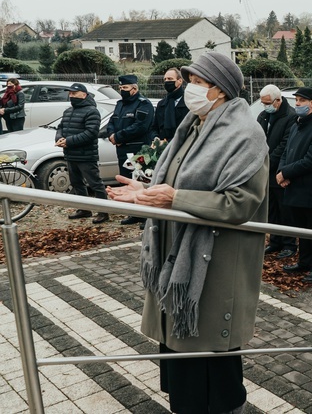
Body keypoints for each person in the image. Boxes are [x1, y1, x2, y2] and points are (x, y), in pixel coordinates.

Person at [107, 51, 269, 414]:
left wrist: (174, 198)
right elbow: (177, 181)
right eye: (190, 82)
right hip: (179, 255)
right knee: (185, 371)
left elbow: (240, 203)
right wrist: (144, 191)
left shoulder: (245, 135)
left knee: (212, 364)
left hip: (214, 265)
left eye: (198, 83)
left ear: (221, 90)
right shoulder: (194, 125)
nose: (189, 90)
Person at [277, 87, 312, 283]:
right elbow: (286, 152)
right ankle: (305, 262)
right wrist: (281, 171)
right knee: (302, 229)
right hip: (294, 187)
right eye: (297, 100)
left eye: (302, 100)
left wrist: (286, 172)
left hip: (310, 189)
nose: (298, 104)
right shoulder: (296, 125)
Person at [55, 83, 109, 224]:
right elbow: (60, 127)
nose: (71, 96)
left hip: (86, 155)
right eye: (70, 93)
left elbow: (91, 133)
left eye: (74, 93)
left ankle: (104, 212)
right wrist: (59, 138)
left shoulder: (92, 111)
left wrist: (69, 141)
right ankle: (84, 209)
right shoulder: (68, 111)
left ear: (84, 95)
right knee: (76, 183)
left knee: (95, 184)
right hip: (70, 153)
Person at [107, 74, 155, 225]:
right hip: (122, 151)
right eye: (120, 88)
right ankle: (134, 213)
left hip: (138, 150)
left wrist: (119, 137)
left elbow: (140, 127)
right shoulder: (120, 104)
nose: (122, 90)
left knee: (141, 180)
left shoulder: (143, 104)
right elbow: (111, 121)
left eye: (125, 88)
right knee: (127, 180)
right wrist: (111, 135)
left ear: (134, 89)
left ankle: (146, 216)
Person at [256, 84, 298, 259]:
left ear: (278, 100)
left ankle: (289, 243)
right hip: (266, 170)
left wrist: (269, 162)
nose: (266, 106)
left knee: (285, 209)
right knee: (272, 208)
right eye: (263, 103)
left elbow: (285, 144)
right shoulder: (263, 116)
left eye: (268, 103)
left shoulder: (290, 117)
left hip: (279, 170)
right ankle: (275, 240)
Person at [153, 67, 189, 141]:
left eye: (170, 79)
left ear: (180, 81)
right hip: (162, 146)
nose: (166, 81)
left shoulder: (188, 103)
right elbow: (154, 128)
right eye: (165, 79)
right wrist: (156, 139)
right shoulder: (161, 104)